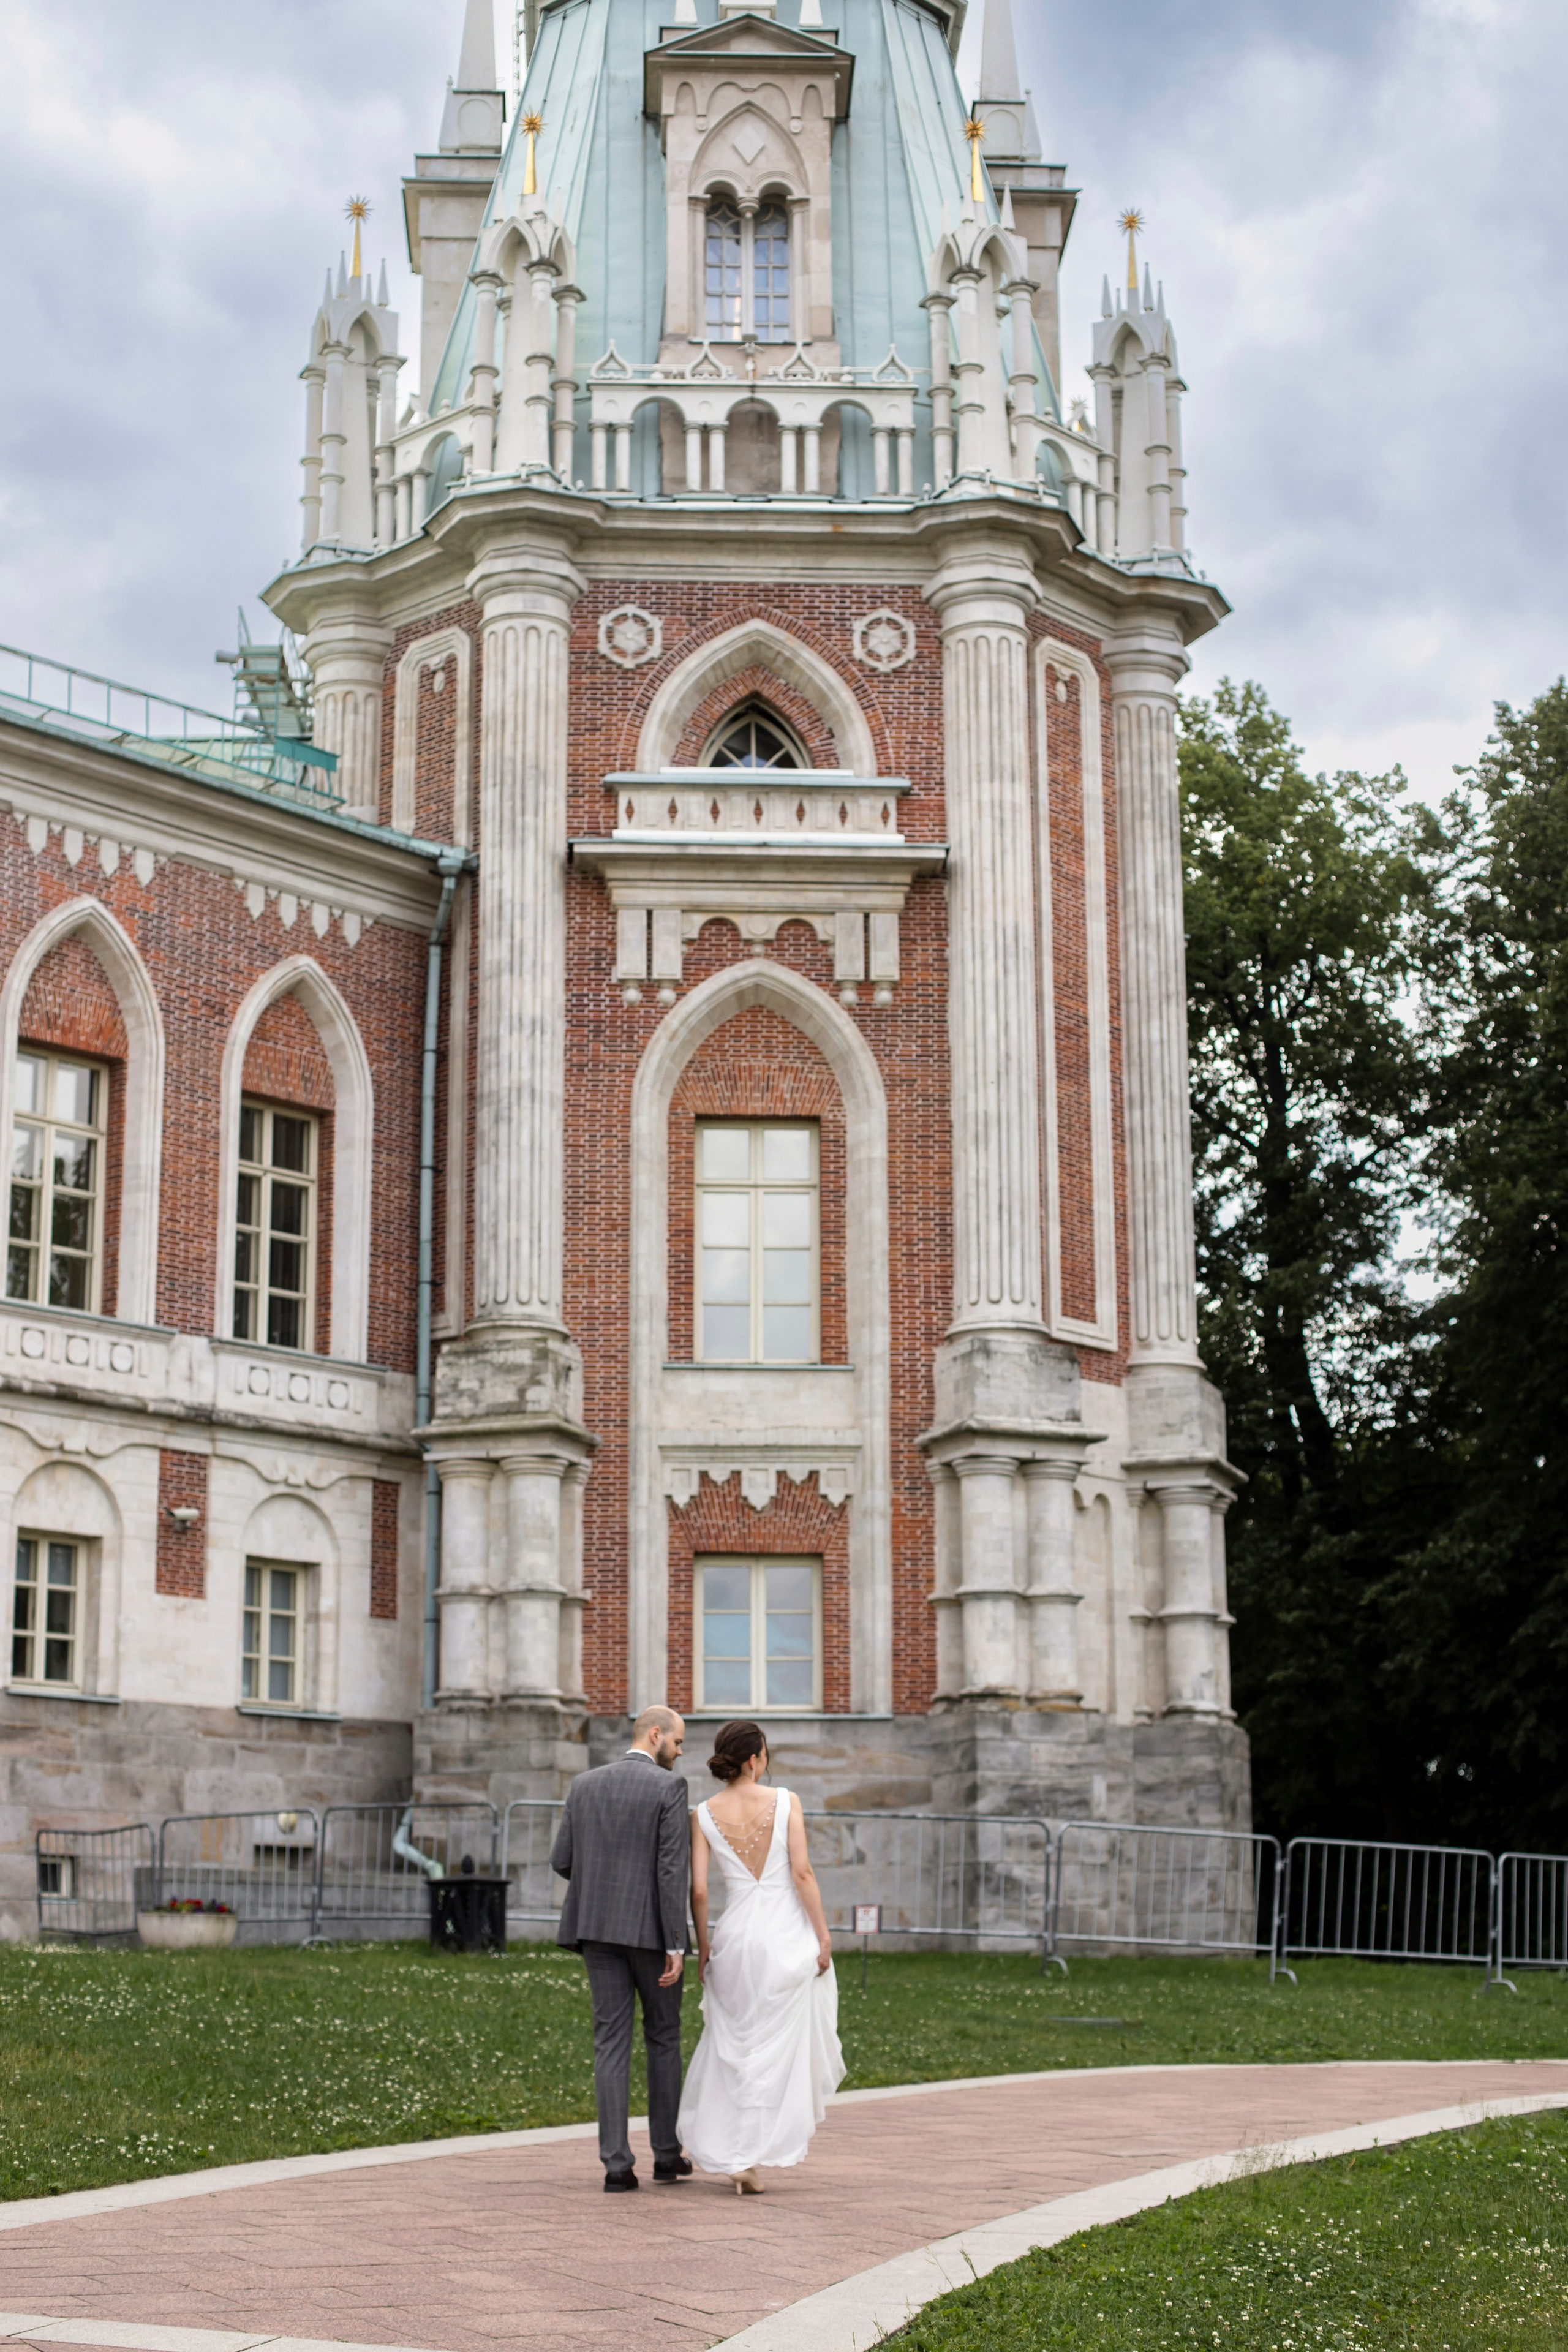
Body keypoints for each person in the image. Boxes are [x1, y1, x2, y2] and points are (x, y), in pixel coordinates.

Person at [677, 1719, 845, 2194]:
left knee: (735, 2045)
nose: (767, 1761)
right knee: (776, 2048)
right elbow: (802, 1872)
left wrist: (705, 1942)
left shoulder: (703, 1813)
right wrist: (823, 1935)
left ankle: (737, 2153)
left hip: (736, 1935)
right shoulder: (785, 1800)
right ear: (753, 1759)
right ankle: (750, 2154)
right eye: (765, 1753)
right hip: (783, 1933)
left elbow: (701, 1888)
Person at [550, 1702, 693, 2193]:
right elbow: (673, 1870)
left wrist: (602, 1885)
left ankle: (615, 2164)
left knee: (609, 2042)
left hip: (595, 1929)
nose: (680, 1752)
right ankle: (666, 2156)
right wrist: (677, 1942)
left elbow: (561, 1859)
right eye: (677, 1742)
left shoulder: (583, 1785)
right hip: (652, 1935)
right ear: (655, 1735)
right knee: (664, 2037)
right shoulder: (670, 1787)